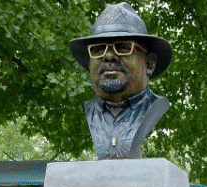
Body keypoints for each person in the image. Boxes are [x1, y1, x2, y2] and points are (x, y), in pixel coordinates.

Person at [70, 2, 172, 159]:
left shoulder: (156, 106)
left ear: (149, 63)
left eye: (123, 46)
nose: (109, 55)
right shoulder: (90, 112)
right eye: (98, 49)